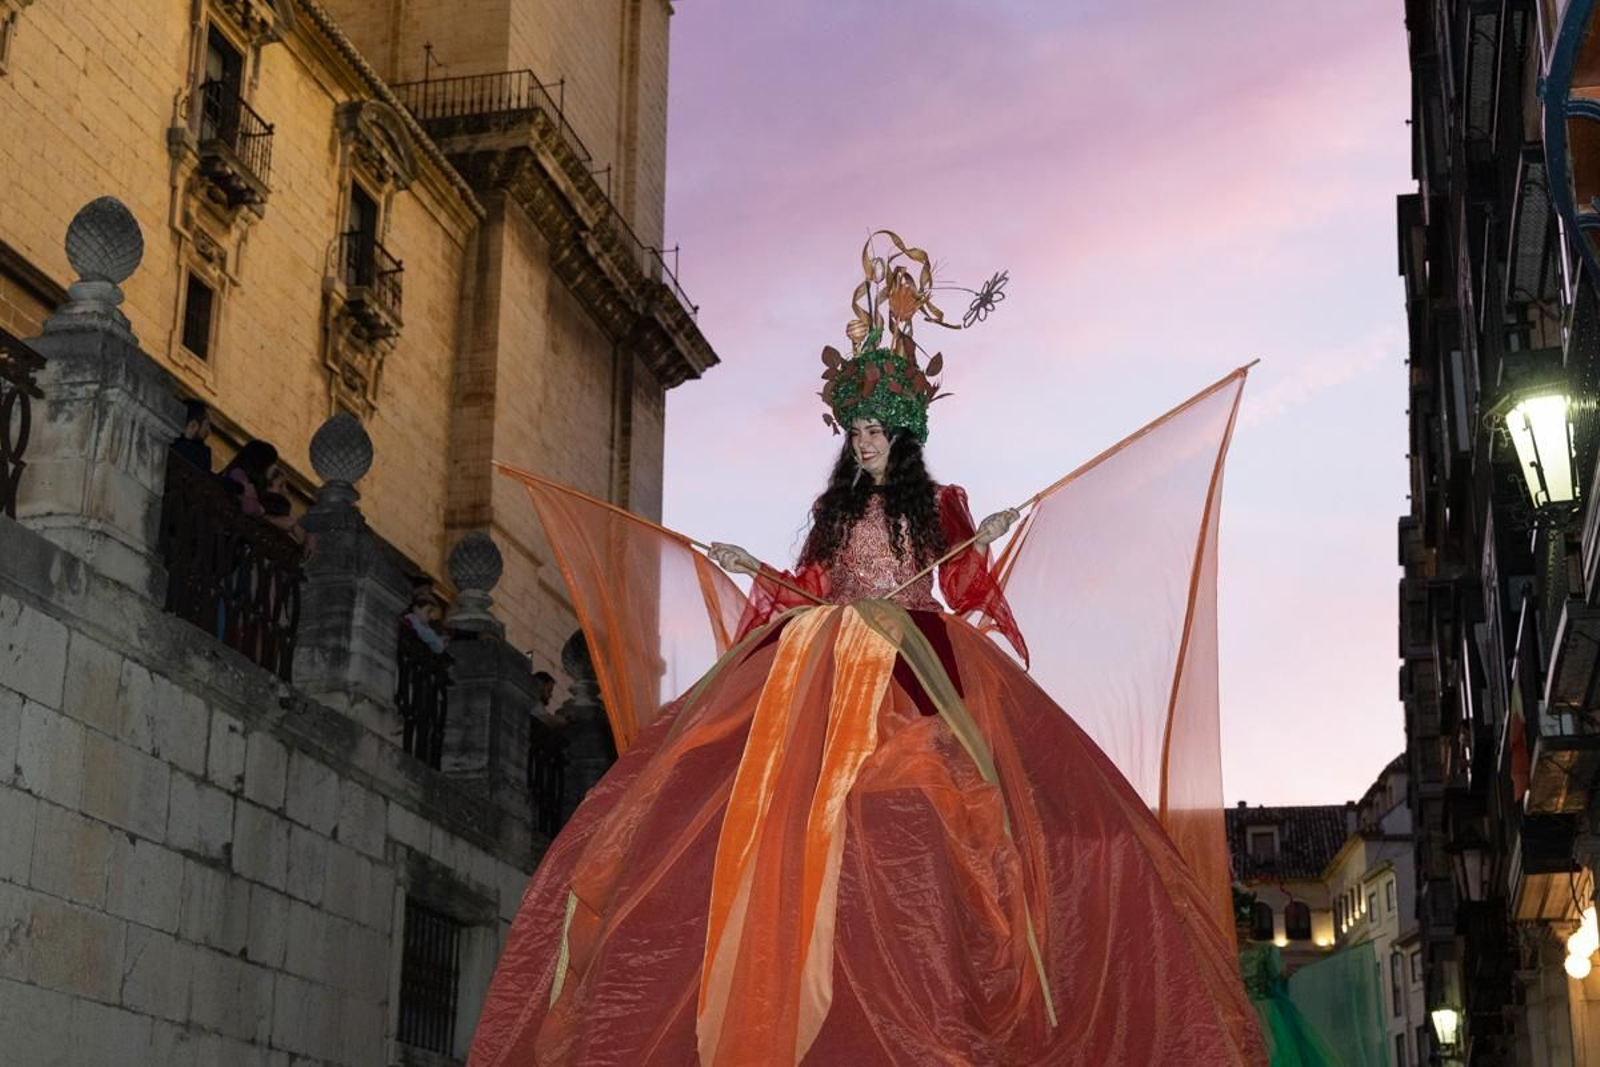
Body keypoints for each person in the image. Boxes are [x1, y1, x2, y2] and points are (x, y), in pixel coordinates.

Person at [471, 233, 1265, 1066]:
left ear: (904, 433)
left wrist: (980, 538)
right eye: (855, 430)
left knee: (939, 801)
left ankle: (942, 968)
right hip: (822, 663)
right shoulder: (837, 513)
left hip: (916, 662)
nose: (863, 441)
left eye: (877, 429)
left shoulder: (937, 507)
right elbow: (812, 585)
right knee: (779, 812)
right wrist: (750, 567)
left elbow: (964, 590)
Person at [219, 439, 278, 517]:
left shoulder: (253, 484)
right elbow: (250, 509)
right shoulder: (238, 475)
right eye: (272, 463)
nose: (274, 467)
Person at [402, 584, 448, 655]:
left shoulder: (417, 620)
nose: (430, 617)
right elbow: (437, 646)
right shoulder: (414, 620)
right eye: (428, 613)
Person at [170, 399, 213, 472]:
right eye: (206, 424)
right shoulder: (201, 455)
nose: (209, 431)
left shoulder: (166, 440)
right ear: (193, 425)